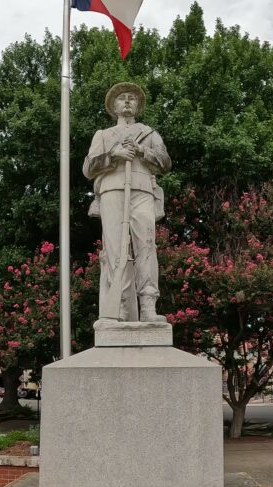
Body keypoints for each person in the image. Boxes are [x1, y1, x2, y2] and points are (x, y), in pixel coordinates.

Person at [83, 82, 172, 323]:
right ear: (114, 106)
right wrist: (113, 155)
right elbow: (88, 168)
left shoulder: (149, 133)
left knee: (146, 246)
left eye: (132, 98)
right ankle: (120, 306)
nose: (127, 101)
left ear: (137, 106)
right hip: (112, 190)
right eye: (122, 98)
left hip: (141, 190)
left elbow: (165, 163)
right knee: (115, 250)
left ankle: (148, 305)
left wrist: (142, 150)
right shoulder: (103, 135)